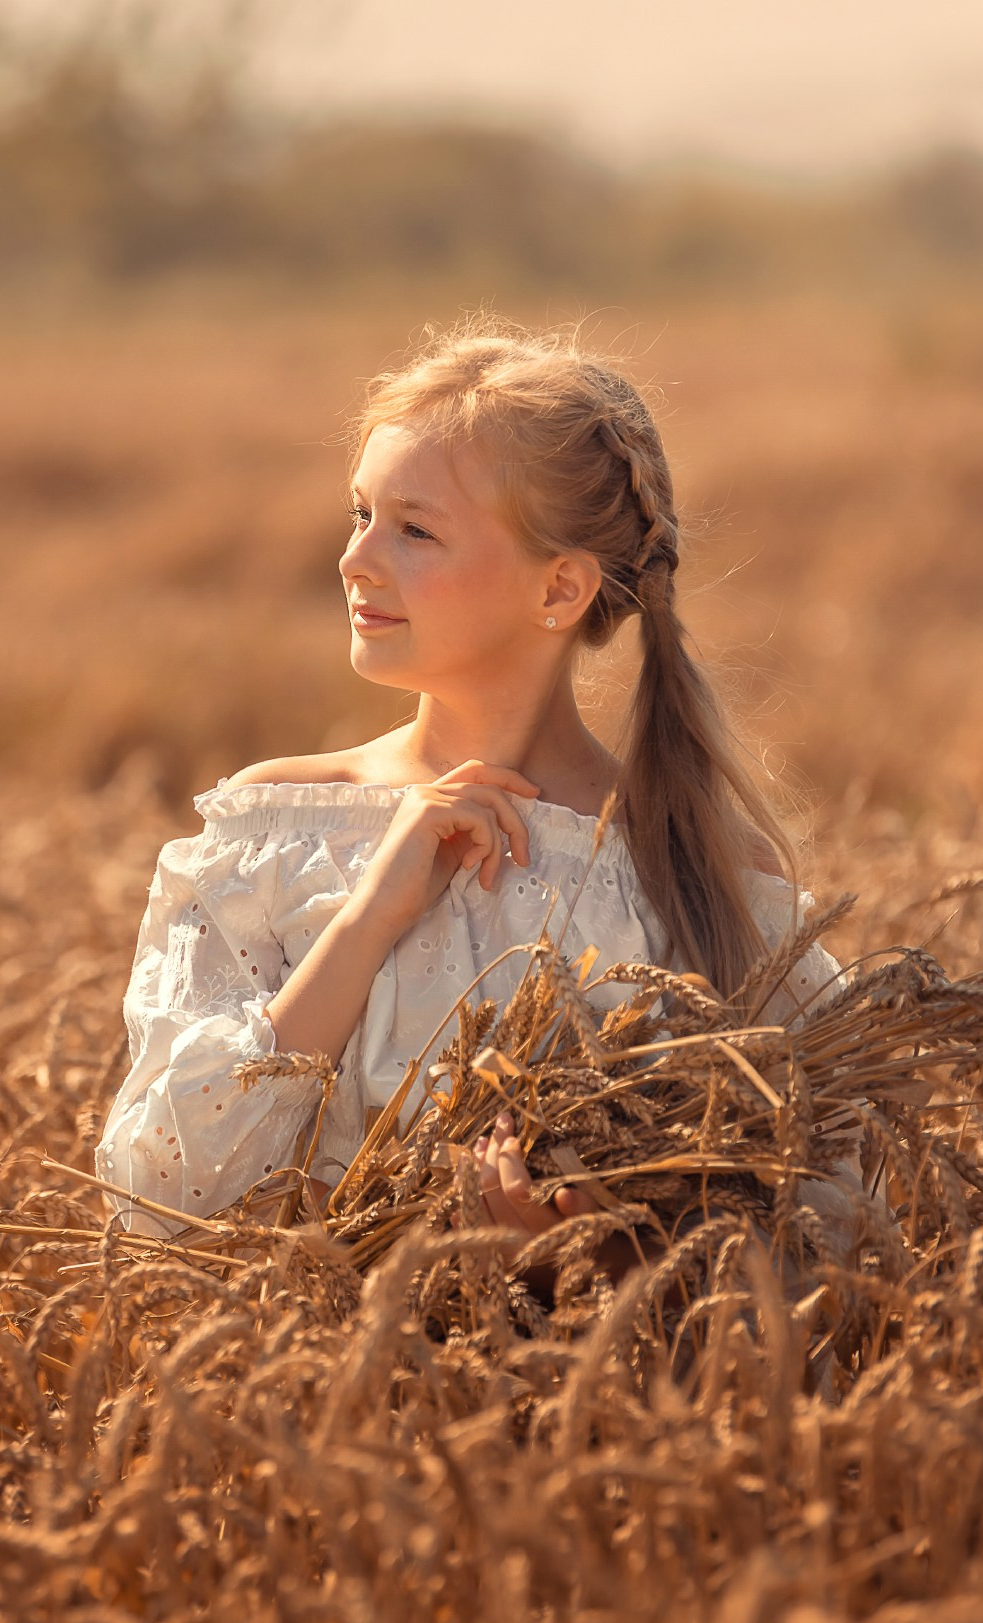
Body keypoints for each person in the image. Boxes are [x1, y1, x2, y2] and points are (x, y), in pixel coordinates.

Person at [96, 322, 849, 1265]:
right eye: (359, 514)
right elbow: (154, 1192)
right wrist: (368, 917)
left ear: (560, 587)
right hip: (305, 1397)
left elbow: (826, 1220)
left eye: (414, 529)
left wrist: (609, 1256)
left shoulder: (697, 866)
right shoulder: (272, 836)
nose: (355, 560)